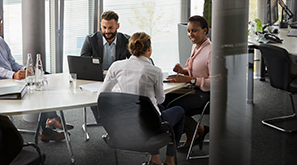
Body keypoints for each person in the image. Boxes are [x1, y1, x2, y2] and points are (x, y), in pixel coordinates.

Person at [0, 10, 69, 142]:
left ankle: (49, 123)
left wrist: (27, 69)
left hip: (11, 81)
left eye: (0, 21)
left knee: (43, 77)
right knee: (38, 91)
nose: (0, 25)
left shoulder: (0, 41)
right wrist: (13, 75)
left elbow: (12, 63)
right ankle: (49, 123)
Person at [98, 32, 184, 165]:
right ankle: (169, 160)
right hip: (149, 128)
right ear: (149, 49)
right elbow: (160, 99)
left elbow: (103, 94)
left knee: (156, 109)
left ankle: (155, 158)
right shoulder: (154, 71)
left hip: (121, 125)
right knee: (179, 111)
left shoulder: (116, 66)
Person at [164, 15, 211, 148]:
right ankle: (195, 132)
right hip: (194, 88)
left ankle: (198, 131)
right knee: (164, 100)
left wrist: (190, 79)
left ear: (205, 31)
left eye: (194, 30)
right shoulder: (196, 46)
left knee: (171, 108)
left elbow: (216, 81)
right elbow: (198, 71)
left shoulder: (211, 51)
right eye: (189, 31)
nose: (190, 34)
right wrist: (183, 71)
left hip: (207, 94)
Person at [81, 10, 131, 122]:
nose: (107, 31)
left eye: (110, 28)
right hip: (97, 79)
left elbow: (137, 58)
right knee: (96, 96)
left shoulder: (127, 40)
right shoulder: (91, 40)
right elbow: (83, 61)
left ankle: (112, 121)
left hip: (118, 80)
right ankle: (104, 119)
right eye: (104, 27)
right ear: (100, 25)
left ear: (117, 26)